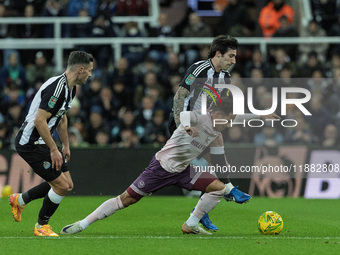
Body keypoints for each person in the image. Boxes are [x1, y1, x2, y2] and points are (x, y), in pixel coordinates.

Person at [60, 97, 244, 235]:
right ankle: (82, 223)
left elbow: (220, 163)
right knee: (125, 200)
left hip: (183, 170)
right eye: (228, 120)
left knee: (217, 188)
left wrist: (229, 188)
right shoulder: (202, 119)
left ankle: (191, 224)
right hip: (161, 168)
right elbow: (186, 115)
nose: (230, 124)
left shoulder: (217, 134)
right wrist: (187, 126)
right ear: (218, 114)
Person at [9, 51, 94, 237]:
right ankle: (41, 226)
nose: (90, 74)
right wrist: (54, 149)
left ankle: (20, 200)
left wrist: (65, 145)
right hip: (30, 142)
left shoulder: (71, 88)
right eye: (89, 71)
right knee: (61, 186)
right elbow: (40, 121)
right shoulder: (57, 88)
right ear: (80, 69)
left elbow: (61, 117)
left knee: (68, 184)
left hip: (43, 141)